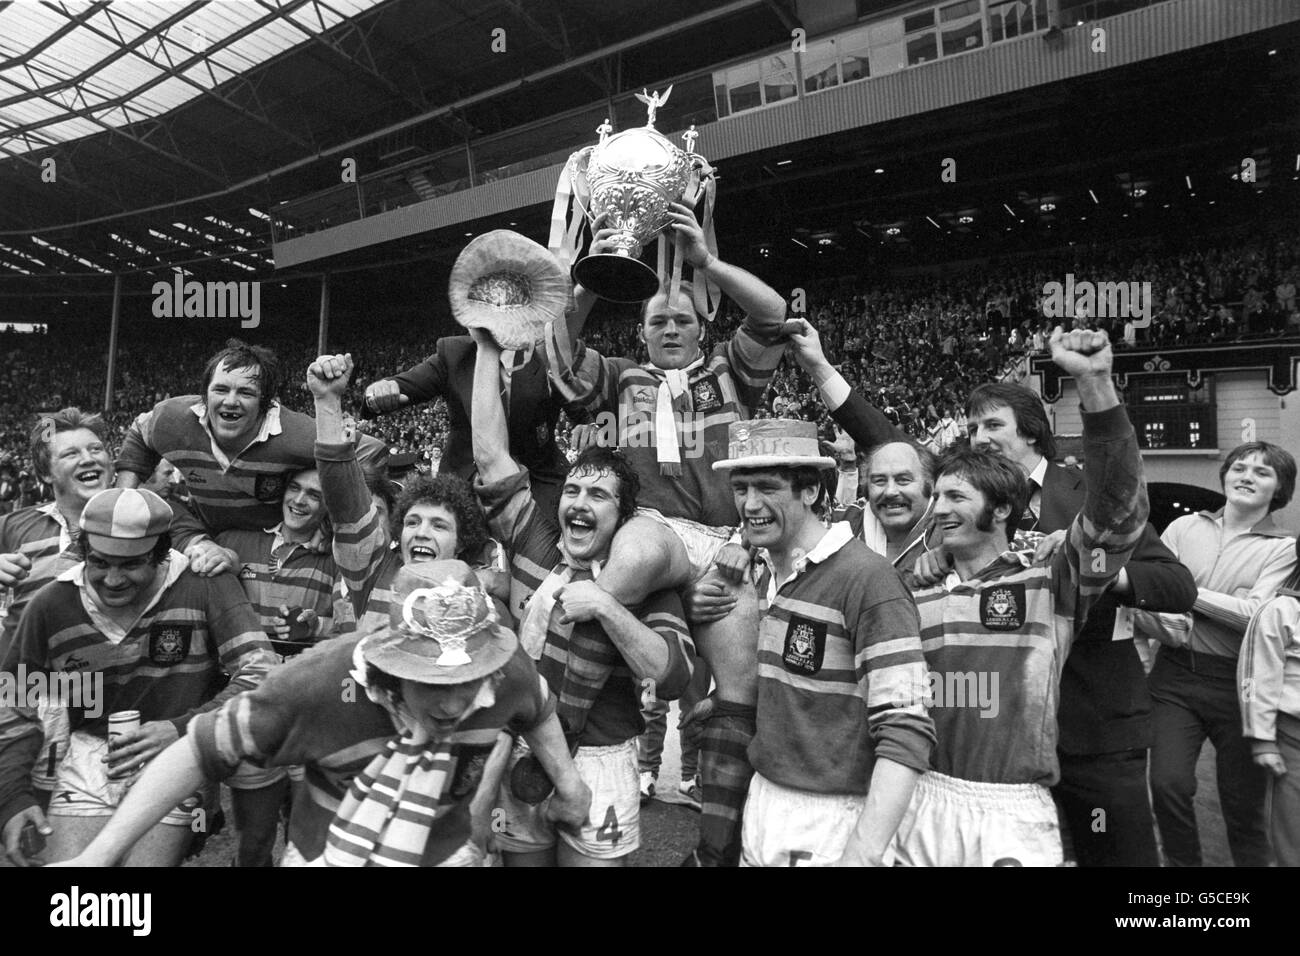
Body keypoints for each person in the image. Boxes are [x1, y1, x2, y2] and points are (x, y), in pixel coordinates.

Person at [52, 560, 592, 867]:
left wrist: (569, 783)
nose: (454, 702)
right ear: (392, 663)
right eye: (433, 681)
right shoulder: (314, 685)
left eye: (466, 679)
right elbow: (197, 750)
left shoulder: (505, 666)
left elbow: (539, 711)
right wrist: (98, 857)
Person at [893, 327, 1148, 866]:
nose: (938, 509)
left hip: (1011, 803)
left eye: (956, 496)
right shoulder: (911, 588)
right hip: (917, 793)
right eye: (935, 496)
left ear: (1002, 510)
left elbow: (1117, 511)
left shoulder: (1046, 582)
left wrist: (1094, 383)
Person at [544, 200, 789, 738]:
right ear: (642, 332)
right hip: (657, 532)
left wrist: (706, 262)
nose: (671, 329)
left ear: (703, 329)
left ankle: (718, 793)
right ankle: (558, 728)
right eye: (659, 321)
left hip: (730, 543)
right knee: (618, 576)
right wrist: (601, 271)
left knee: (739, 693)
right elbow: (559, 352)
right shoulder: (620, 377)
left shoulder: (732, 369)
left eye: (683, 320)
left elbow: (773, 316)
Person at [471, 328, 695, 866]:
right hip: (525, 746)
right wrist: (484, 350)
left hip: (600, 760)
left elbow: (673, 677)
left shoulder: (642, 583)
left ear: (622, 517)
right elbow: (491, 455)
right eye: (572, 489)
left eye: (598, 495)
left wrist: (606, 606)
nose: (579, 501)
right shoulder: (537, 546)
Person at [962, 379, 1196, 867]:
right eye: (972, 428)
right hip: (1001, 735)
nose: (979, 437)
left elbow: (1176, 585)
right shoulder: (964, 507)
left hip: (1094, 727)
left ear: (1030, 432)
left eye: (992, 424)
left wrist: (1093, 569)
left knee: (1109, 855)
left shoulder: (1091, 496)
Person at [0, 488, 276, 866]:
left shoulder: (203, 584)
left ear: (161, 554)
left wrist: (182, 727)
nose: (113, 579)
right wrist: (14, 798)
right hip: (87, 758)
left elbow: (262, 672)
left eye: (130, 565)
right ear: (83, 554)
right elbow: (15, 706)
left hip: (179, 755)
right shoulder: (52, 603)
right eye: (100, 563)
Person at [708, 418, 933, 867]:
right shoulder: (763, 574)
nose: (750, 503)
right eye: (741, 488)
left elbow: (906, 727)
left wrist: (863, 853)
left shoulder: (869, 581)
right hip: (765, 800)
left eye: (767, 487)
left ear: (810, 490)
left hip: (833, 818)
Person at [362, 230, 608, 518]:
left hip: (536, 481)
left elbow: (586, 414)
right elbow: (386, 392)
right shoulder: (452, 355)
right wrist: (377, 391)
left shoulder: (545, 355)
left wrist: (588, 427)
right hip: (463, 484)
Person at [1137, 440, 1298, 867]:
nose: (1247, 476)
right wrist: (1227, 603)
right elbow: (1150, 593)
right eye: (1239, 467)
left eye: (1262, 472)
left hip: (1241, 686)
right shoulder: (1182, 529)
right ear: (1224, 475)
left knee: (1243, 806)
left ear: (1279, 490)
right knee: (1167, 785)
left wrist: (1184, 593)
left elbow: (1258, 620)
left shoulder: (1284, 549)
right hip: (1173, 679)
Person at [113, 339, 387, 571]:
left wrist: (330, 520)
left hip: (264, 546)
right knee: (157, 504)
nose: (230, 401)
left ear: (266, 404)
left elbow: (370, 451)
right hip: (201, 535)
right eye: (220, 389)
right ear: (204, 395)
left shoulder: (297, 434)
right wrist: (119, 500)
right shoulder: (172, 419)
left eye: (245, 392)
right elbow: (140, 433)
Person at [310, 353, 498, 638]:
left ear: (461, 542)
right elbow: (346, 503)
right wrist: (327, 403)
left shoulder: (478, 601)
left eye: (438, 525)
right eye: (412, 522)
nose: (421, 533)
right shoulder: (372, 571)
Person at [208, 464, 337, 867]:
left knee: (303, 835)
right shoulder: (235, 541)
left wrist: (316, 624)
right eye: (294, 489)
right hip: (250, 708)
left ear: (326, 507)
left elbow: (352, 626)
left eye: (314, 495)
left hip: (307, 713)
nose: (299, 501)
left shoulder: (333, 555)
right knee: (253, 841)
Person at [0, 410, 114, 812]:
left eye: (96, 448)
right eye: (71, 454)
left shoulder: (143, 520)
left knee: (83, 813)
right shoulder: (16, 525)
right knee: (19, 812)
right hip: (21, 690)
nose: (88, 458)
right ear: (46, 474)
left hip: (96, 692)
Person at [1238, 546, 1300, 866]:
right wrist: (1263, 740)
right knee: (1291, 834)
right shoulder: (1283, 610)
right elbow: (1257, 675)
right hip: (1293, 744)